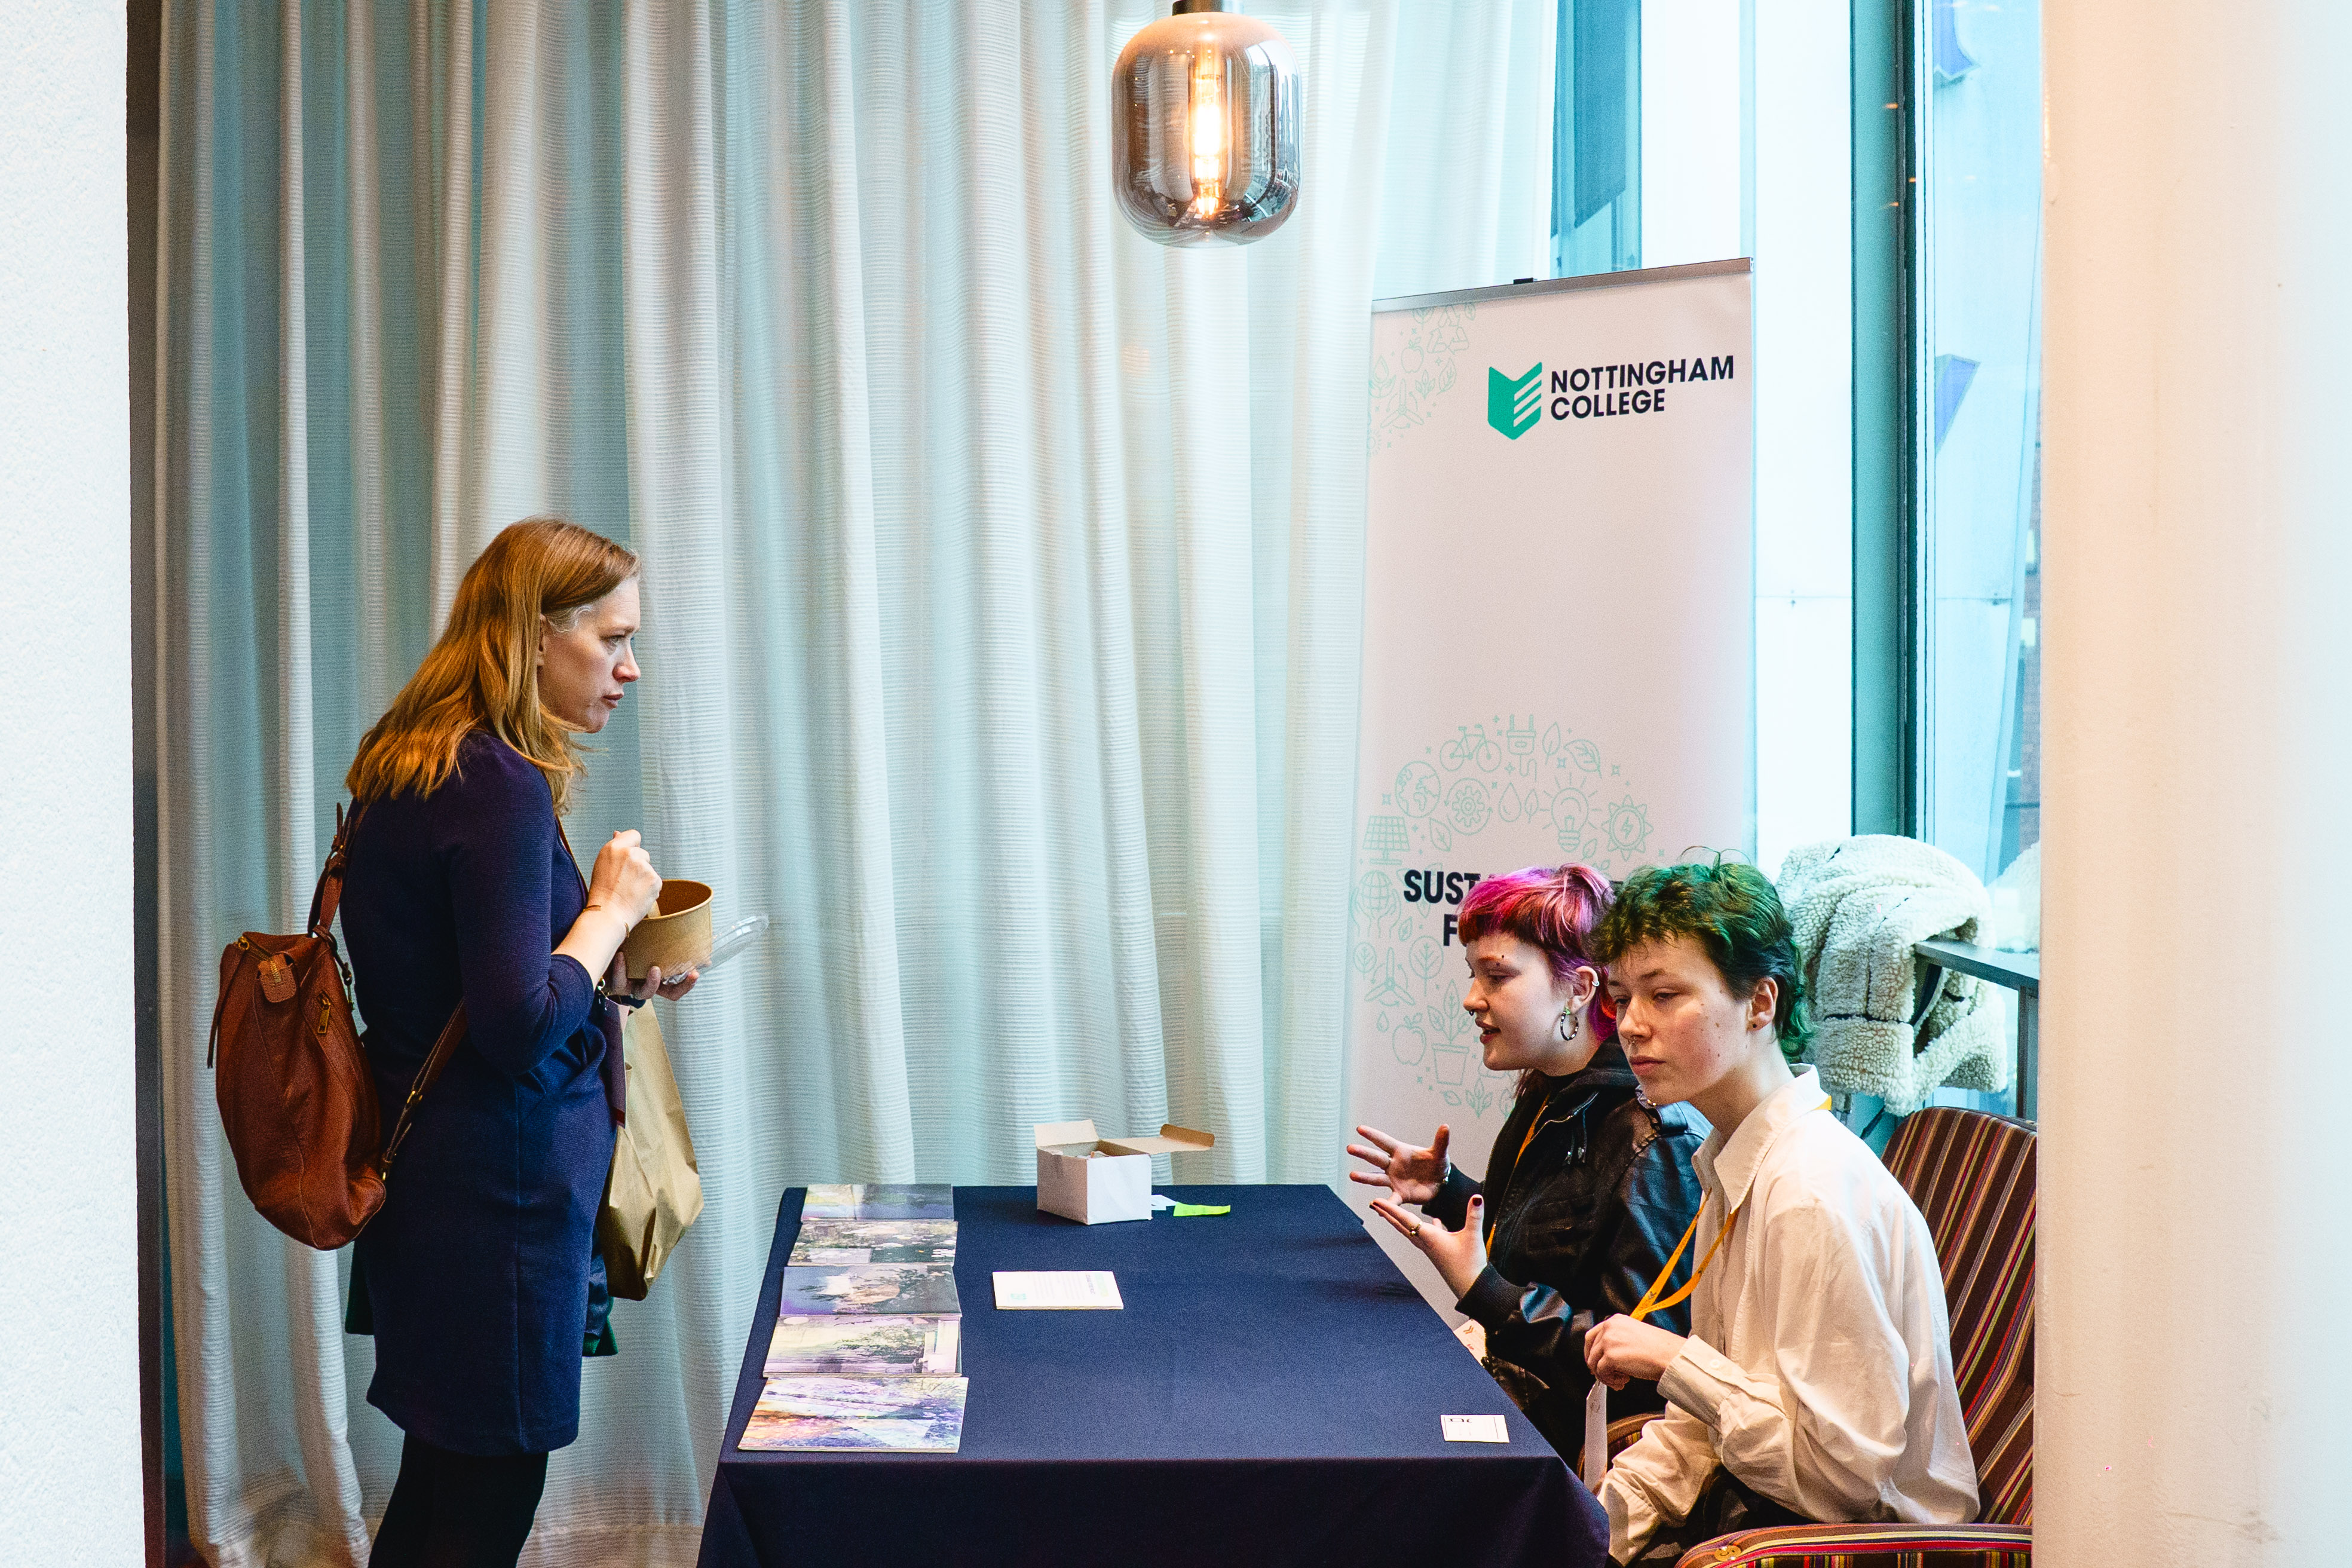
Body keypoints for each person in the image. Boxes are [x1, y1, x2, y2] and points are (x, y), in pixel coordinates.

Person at [339, 518, 698, 1568]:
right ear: (536, 633)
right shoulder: (493, 779)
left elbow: (466, 985)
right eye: (612, 639)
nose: (629, 669)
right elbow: (512, 1026)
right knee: (485, 1503)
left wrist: (615, 974)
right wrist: (613, 909)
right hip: (497, 1200)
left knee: (442, 1487)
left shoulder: (410, 757)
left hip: (443, 1189)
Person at [1582, 860, 1979, 1564]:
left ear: (1760, 1003)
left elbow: (1845, 1482)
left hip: (1858, 1548)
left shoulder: (1806, 1188)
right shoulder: (1737, 1157)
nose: (1632, 1025)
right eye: (1621, 997)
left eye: (1665, 993)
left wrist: (1676, 1358)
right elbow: (1702, 1428)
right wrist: (1582, 1535)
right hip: (1763, 1519)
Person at [1349, 865, 1707, 1454]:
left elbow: (1635, 1374)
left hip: (1570, 1462)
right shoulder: (1552, 1089)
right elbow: (1553, 1235)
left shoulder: (1653, 1139)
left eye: (1497, 975)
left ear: (1580, 987)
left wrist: (1484, 1288)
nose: (1471, 998)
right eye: (1474, 973)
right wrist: (1447, 1189)